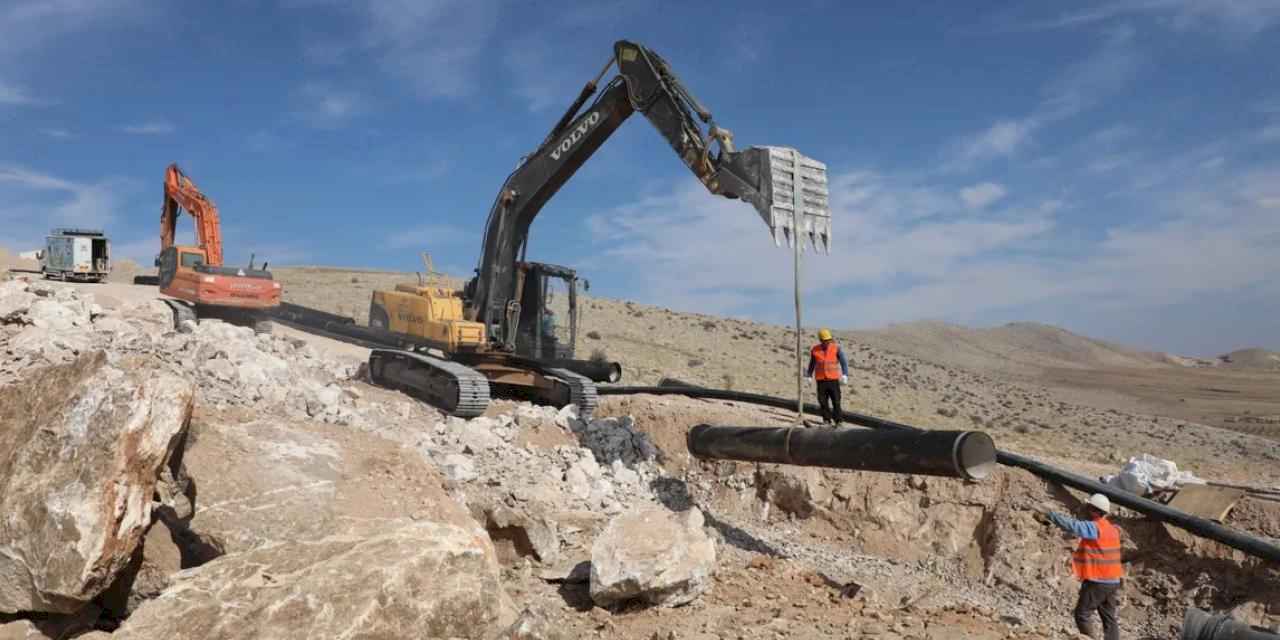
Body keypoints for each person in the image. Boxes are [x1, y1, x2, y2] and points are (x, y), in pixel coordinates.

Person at [1045, 494, 1124, 640]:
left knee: (1082, 614)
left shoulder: (1095, 527)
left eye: (1088, 507)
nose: (1085, 510)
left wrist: (1051, 515)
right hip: (1113, 580)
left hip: (1098, 580)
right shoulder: (1111, 529)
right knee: (1109, 617)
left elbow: (1073, 526)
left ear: (1094, 510)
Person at [805, 328, 848, 426]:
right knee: (823, 401)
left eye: (829, 340)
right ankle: (826, 420)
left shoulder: (836, 348)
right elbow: (812, 364)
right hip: (821, 380)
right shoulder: (815, 350)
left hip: (833, 380)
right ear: (820, 340)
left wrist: (845, 375)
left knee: (836, 401)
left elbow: (844, 362)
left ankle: (838, 420)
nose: (827, 342)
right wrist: (809, 375)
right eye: (825, 340)